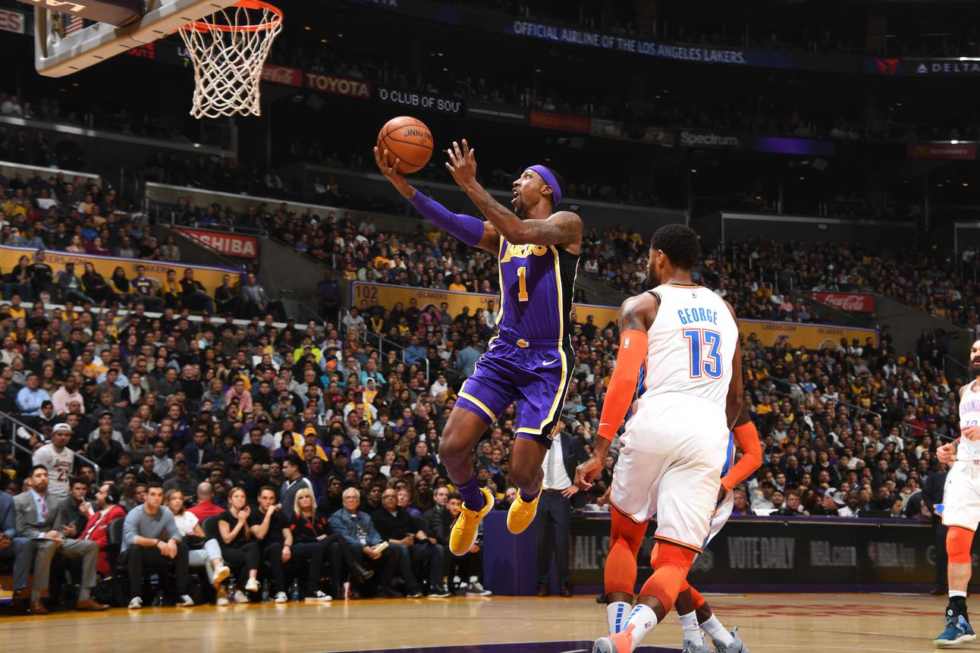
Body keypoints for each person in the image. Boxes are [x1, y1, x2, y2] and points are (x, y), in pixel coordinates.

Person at [375, 139, 583, 557]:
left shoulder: (566, 224)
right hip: (504, 354)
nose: (516, 181)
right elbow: (451, 221)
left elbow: (521, 229)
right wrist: (403, 185)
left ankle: (531, 492)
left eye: (526, 177)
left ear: (545, 189)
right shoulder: (501, 237)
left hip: (546, 361)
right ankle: (474, 503)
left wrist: (471, 185)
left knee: (522, 470)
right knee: (450, 447)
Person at [574, 224, 743, 653]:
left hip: (657, 419)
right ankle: (628, 638)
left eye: (651, 257)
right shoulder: (725, 310)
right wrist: (714, 445)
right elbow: (736, 398)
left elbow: (626, 377)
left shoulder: (643, 304)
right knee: (673, 562)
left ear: (661, 257)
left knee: (624, 539)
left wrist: (599, 450)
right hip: (707, 430)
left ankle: (616, 631)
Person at [935, 339, 980, 647]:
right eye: (974, 350)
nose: (976, 354)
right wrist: (951, 448)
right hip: (967, 468)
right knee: (956, 539)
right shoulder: (965, 391)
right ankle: (958, 616)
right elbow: (967, 430)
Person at [13, 465, 107, 613]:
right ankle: (36, 599)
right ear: (30, 480)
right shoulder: (18, 500)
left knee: (91, 546)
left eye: (45, 475)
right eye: (38, 475)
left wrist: (58, 535)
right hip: (32, 541)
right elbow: (20, 529)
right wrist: (44, 535)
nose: (43, 478)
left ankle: (84, 597)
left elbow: (59, 526)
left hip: (55, 539)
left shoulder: (56, 500)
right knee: (48, 545)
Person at [120, 482, 193, 609]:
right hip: (131, 554)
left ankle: (182, 594)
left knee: (182, 547)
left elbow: (176, 533)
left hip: (153, 552)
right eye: (153, 494)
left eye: (159, 495)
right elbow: (130, 538)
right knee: (135, 549)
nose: (156, 498)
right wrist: (156, 542)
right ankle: (135, 597)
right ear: (145, 497)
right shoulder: (135, 513)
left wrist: (172, 541)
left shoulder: (166, 512)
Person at [535, 427, 586, 597]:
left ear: (562, 423)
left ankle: (565, 584)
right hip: (541, 495)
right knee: (541, 543)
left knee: (561, 543)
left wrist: (577, 486)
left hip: (562, 496)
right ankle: (542, 584)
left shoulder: (571, 441)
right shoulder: (538, 439)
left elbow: (588, 464)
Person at [329, 487, 399, 597]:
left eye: (354, 497)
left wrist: (377, 546)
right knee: (356, 546)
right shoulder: (336, 517)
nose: (351, 500)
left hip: (369, 547)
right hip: (350, 549)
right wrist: (364, 547)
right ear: (343, 501)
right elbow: (345, 537)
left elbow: (373, 534)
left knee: (392, 549)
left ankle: (384, 587)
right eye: (348, 498)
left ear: (358, 501)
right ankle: (357, 587)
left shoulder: (366, 516)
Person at [371, 486, 436, 598]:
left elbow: (415, 529)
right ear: (382, 500)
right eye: (387, 497)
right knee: (402, 549)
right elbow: (379, 537)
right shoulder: (376, 515)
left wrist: (426, 540)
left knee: (434, 549)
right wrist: (400, 542)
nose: (390, 499)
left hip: (408, 545)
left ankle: (435, 586)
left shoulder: (403, 513)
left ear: (397, 499)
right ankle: (412, 588)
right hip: (386, 547)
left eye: (393, 496)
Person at [166, 489, 231, 596]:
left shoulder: (188, 515)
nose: (177, 501)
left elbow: (202, 536)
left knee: (211, 542)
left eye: (180, 499)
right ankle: (220, 591)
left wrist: (191, 534)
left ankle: (218, 568)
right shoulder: (164, 517)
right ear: (167, 501)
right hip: (177, 554)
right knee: (210, 556)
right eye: (174, 499)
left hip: (193, 547)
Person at [288, 487, 334, 601]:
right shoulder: (295, 516)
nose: (304, 499)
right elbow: (297, 537)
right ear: (297, 501)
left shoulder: (319, 515)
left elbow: (329, 532)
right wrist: (316, 539)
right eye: (301, 498)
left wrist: (324, 538)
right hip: (300, 546)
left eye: (307, 496)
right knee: (334, 538)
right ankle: (313, 588)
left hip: (320, 545)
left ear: (312, 499)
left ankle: (336, 588)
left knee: (336, 544)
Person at [249, 485, 294, 603]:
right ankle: (281, 591)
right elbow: (260, 534)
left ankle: (288, 591)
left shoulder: (280, 514)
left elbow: (288, 535)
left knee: (285, 550)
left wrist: (287, 547)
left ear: (275, 500)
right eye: (264, 498)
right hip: (261, 550)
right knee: (275, 547)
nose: (268, 501)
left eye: (271, 498)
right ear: (259, 498)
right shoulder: (253, 514)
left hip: (280, 549)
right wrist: (268, 515)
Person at [216, 486, 262, 599]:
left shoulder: (245, 515)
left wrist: (245, 520)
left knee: (253, 548)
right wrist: (240, 522)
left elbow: (247, 537)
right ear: (230, 500)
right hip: (228, 550)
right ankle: (244, 586)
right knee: (251, 556)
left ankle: (246, 585)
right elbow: (227, 539)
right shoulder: (224, 516)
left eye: (242, 496)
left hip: (243, 548)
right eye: (236, 496)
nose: (240, 499)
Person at [445, 493, 492, 597]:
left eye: (458, 504)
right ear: (447, 505)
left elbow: (471, 533)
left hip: (463, 547)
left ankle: (472, 582)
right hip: (448, 547)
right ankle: (457, 581)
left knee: (477, 548)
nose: (455, 507)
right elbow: (441, 536)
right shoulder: (443, 516)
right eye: (452, 504)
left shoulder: (464, 517)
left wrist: (473, 544)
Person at [79, 481, 126, 577]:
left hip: (99, 554)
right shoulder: (97, 514)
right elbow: (86, 533)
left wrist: (87, 546)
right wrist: (76, 544)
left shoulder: (117, 512)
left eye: (100, 493)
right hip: (85, 549)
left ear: (109, 497)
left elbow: (108, 539)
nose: (96, 495)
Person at [32, 422, 75, 501]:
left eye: (67, 435)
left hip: (65, 493)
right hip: (48, 494)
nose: (63, 437)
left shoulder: (70, 453)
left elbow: (68, 473)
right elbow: (36, 475)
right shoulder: (43, 452)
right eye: (60, 434)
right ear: (52, 436)